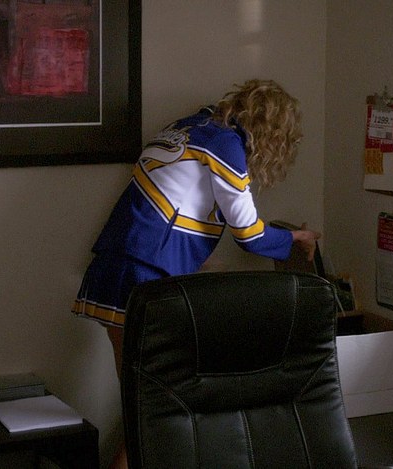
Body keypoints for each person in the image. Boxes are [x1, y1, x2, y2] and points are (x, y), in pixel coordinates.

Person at [71, 79, 320, 469]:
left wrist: (196, 263)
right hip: (143, 274)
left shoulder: (189, 127)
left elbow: (174, 205)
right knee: (155, 410)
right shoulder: (225, 145)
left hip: (117, 265)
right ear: (271, 131)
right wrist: (295, 238)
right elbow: (250, 235)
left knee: (146, 408)